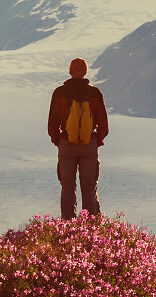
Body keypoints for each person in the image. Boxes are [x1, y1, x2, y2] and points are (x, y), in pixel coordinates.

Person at [48, 57, 109, 219]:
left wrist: (59, 141)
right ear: (85, 71)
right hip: (89, 145)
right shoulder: (94, 93)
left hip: (66, 145)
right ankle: (91, 228)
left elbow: (52, 123)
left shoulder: (59, 93)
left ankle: (68, 227)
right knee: (89, 188)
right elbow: (103, 124)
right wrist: (97, 140)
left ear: (70, 71)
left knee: (67, 187)